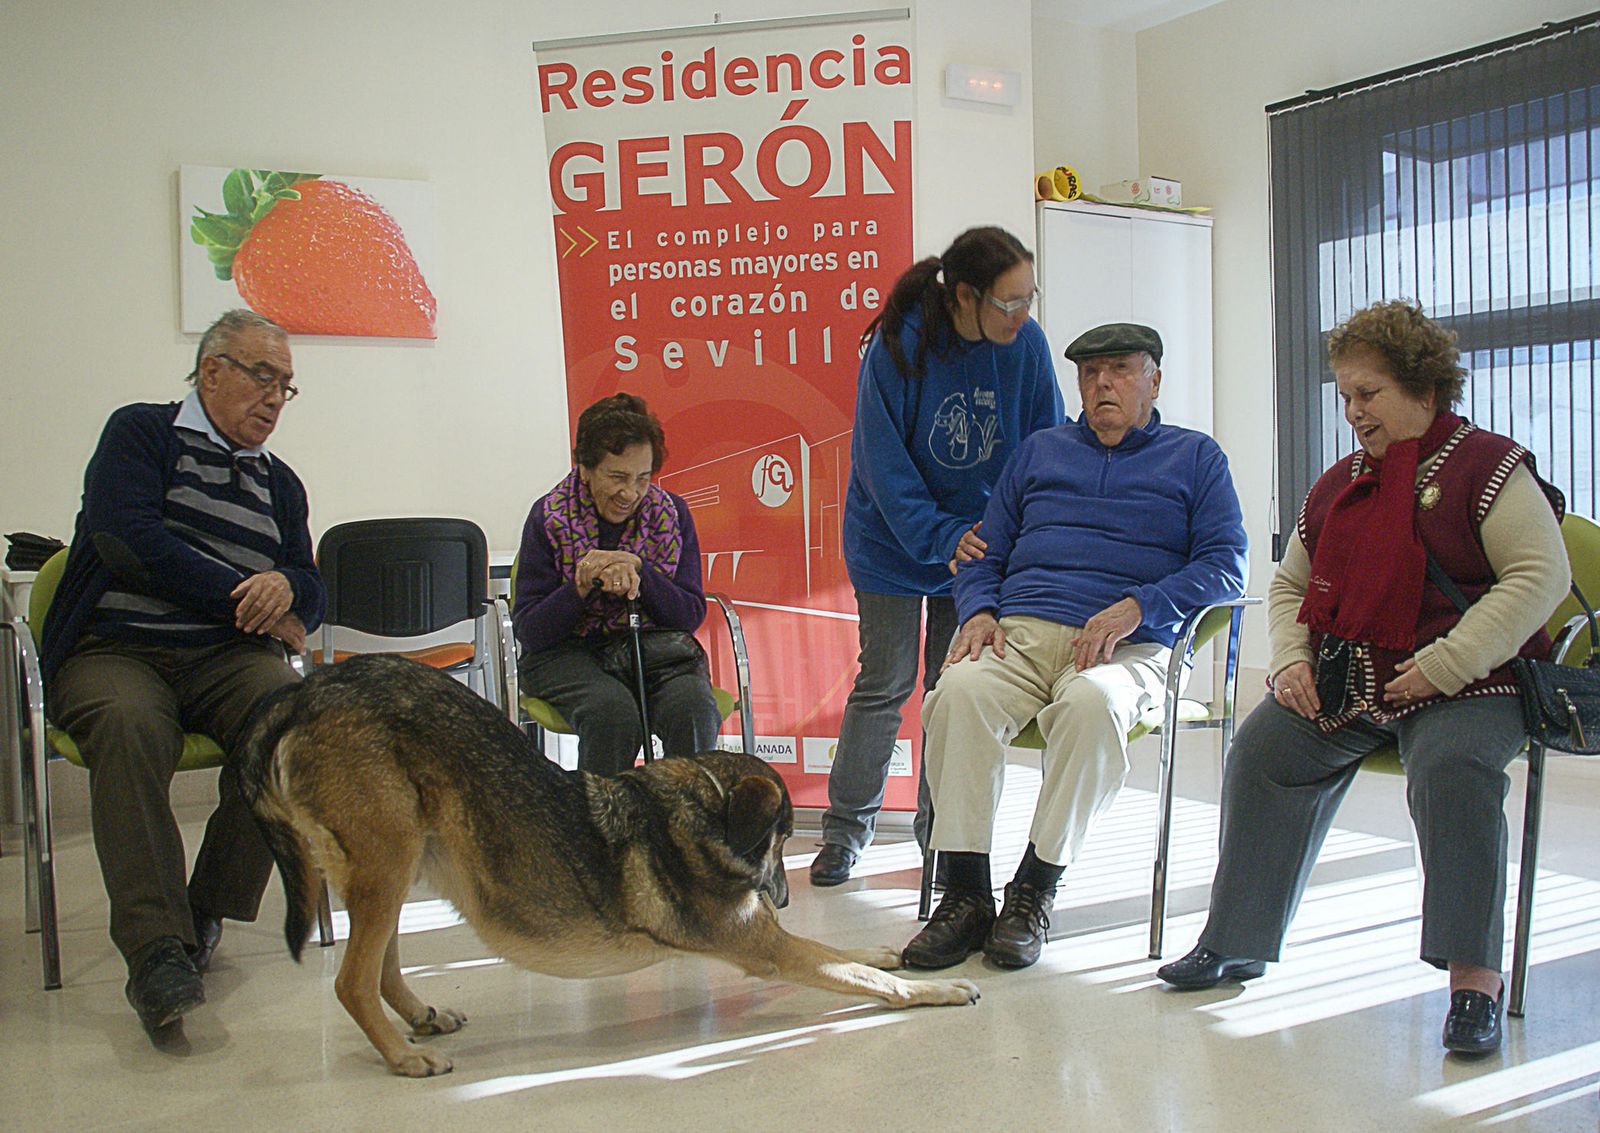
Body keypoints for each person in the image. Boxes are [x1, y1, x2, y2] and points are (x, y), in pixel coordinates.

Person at [1158, 301, 1568, 1056]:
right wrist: (1289, 660)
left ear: (1423, 388)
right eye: (1345, 394)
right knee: (1264, 750)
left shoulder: (1490, 465)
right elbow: (1288, 586)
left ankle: (1474, 981)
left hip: (1473, 681)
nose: (1352, 411)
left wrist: (1443, 663)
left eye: (1368, 393)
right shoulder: (1340, 483)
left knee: (1449, 768)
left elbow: (1540, 577)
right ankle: (1236, 939)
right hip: (1363, 679)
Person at [902, 322, 1248, 970]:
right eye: (1090, 374)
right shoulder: (1038, 453)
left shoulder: (1196, 457)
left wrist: (1140, 603)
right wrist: (976, 609)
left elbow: (1228, 566)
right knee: (958, 695)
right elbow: (985, 550)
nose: (1102, 384)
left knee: (1091, 707)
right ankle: (967, 892)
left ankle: (1035, 887)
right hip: (1024, 631)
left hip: (1129, 643)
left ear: (1154, 378)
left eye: (1118, 369)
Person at [41, 309, 325, 1036]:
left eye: (286, 386)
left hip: (227, 659)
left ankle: (202, 907)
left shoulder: (281, 484)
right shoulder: (141, 433)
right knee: (130, 724)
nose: (273, 397)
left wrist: (290, 590)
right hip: (115, 648)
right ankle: (155, 949)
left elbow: (309, 581)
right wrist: (247, 593)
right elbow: (127, 539)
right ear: (211, 371)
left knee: (288, 720)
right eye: (263, 376)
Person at [809, 226, 1065, 887]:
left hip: (976, 550)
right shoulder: (900, 345)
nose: (1022, 315)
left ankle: (942, 841)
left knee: (953, 691)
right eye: (1008, 302)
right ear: (964, 297)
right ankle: (845, 832)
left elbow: (1043, 448)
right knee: (886, 683)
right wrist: (939, 535)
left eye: (1028, 298)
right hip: (892, 540)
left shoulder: (1026, 347)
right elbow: (880, 464)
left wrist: (1001, 540)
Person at [513, 393, 721, 775]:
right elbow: (530, 630)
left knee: (693, 708)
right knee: (613, 716)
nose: (631, 494)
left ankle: (684, 824)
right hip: (567, 655)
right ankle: (601, 830)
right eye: (617, 477)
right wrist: (581, 584)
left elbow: (690, 613)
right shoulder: (549, 517)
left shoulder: (671, 514)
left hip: (652, 650)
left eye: (643, 478)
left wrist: (642, 574)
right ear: (585, 468)